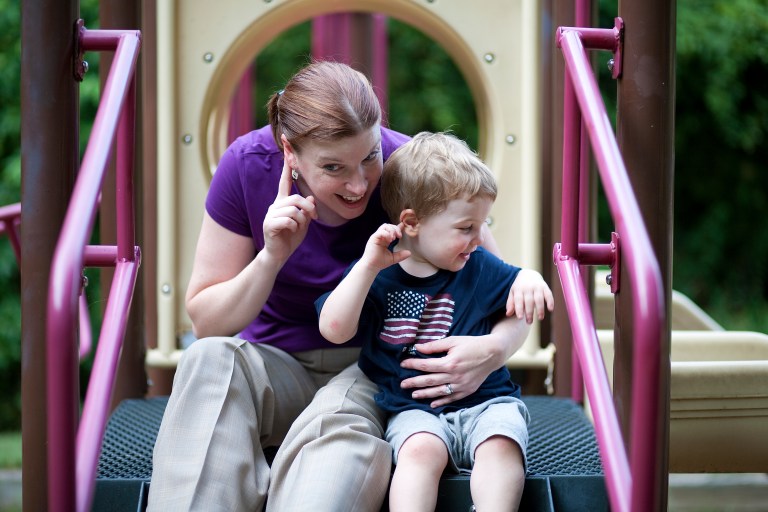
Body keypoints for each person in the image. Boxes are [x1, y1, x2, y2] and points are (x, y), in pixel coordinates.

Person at [147, 61, 552, 512]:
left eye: (370, 157)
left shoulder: (412, 174)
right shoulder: (246, 166)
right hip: (276, 365)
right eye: (334, 167)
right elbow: (206, 323)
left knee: (336, 432)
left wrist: (493, 351)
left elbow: (497, 282)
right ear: (290, 152)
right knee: (208, 359)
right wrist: (272, 255)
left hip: (370, 368)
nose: (359, 184)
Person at [317, 132, 553, 512]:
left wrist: (530, 278)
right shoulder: (379, 274)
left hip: (489, 401)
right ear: (411, 222)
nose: (478, 239)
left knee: (501, 444)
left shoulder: (477, 265)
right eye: (466, 228)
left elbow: (515, 286)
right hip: (414, 409)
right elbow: (334, 328)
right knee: (418, 452)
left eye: (481, 225)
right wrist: (365, 267)